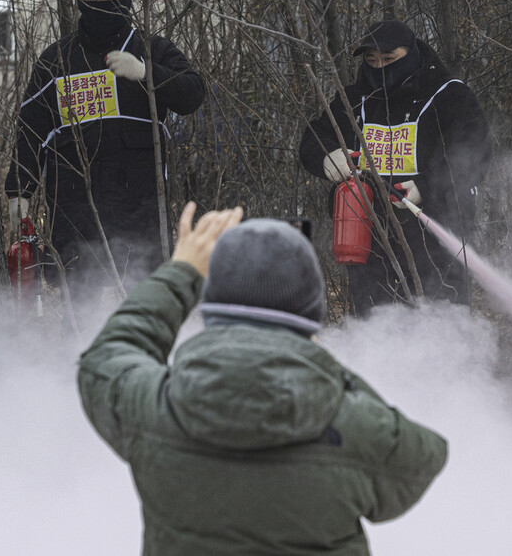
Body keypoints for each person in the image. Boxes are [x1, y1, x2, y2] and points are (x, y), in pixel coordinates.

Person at [78, 202, 448, 555]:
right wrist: (314, 358)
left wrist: (181, 272)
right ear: (310, 314)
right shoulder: (354, 428)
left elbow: (107, 356)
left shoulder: (156, 409)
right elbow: (425, 454)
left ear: (211, 307)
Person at [4, 0, 205, 307]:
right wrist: (19, 190)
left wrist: (146, 72)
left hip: (139, 211)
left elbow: (193, 92)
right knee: (78, 311)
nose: (101, 2)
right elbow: (31, 129)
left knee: (147, 307)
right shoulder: (57, 59)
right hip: (73, 211)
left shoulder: (150, 49)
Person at [299, 19, 491, 316]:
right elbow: (313, 137)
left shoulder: (448, 95)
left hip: (436, 242)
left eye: (389, 59)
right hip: (368, 242)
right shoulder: (353, 100)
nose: (379, 67)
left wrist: (425, 186)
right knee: (376, 330)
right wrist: (328, 156)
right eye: (372, 61)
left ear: (411, 54)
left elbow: (474, 150)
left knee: (442, 327)